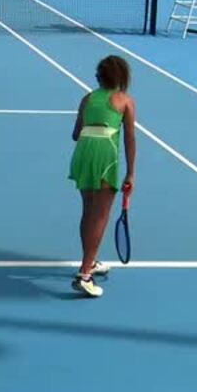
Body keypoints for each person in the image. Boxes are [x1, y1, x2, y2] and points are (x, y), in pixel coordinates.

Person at [68, 55, 136, 298]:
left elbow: (75, 134)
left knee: (88, 211)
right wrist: (130, 173)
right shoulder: (125, 101)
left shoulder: (86, 99)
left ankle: (90, 261)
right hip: (105, 157)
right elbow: (129, 139)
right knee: (101, 215)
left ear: (100, 77)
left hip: (83, 154)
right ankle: (85, 273)